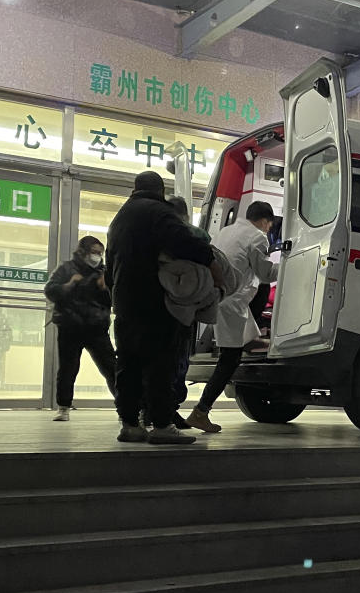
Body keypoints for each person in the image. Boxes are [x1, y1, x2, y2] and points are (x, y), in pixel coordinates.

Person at [105, 172, 221, 444]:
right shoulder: (158, 211)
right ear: (160, 190)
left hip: (125, 301)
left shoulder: (119, 219)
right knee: (160, 363)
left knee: (128, 364)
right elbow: (187, 242)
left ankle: (130, 424)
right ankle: (161, 424)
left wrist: (115, 296)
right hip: (154, 300)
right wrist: (213, 266)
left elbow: (110, 267)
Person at [186, 201, 279, 432]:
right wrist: (291, 263)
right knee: (229, 360)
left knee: (243, 343)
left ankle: (257, 341)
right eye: (269, 225)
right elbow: (265, 274)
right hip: (233, 302)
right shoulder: (258, 237)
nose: (268, 229)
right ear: (265, 221)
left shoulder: (225, 231)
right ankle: (200, 411)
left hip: (219, 297)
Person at [44, 235, 117, 422]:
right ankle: (63, 407)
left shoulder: (104, 272)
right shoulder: (67, 268)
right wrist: (69, 285)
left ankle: (125, 407)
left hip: (97, 327)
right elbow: (51, 291)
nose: (97, 257)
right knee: (68, 368)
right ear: (83, 252)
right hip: (71, 326)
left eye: (100, 253)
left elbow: (115, 299)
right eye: (94, 252)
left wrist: (106, 289)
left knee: (111, 368)